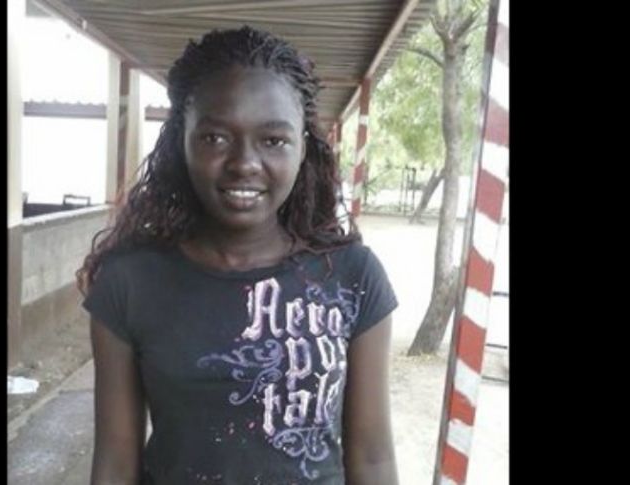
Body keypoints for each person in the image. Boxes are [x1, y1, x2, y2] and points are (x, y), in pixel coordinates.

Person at [77, 26, 399, 485]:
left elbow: (372, 459)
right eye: (215, 138)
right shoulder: (129, 282)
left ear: (303, 149)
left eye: (273, 140)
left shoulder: (353, 277)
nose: (244, 163)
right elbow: (114, 462)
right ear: (181, 141)